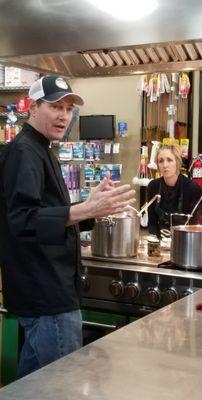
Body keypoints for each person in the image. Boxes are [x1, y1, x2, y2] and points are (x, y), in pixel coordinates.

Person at [0, 75, 135, 378]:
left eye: (69, 108)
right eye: (55, 106)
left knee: (33, 387)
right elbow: (22, 220)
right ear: (32, 108)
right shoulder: (24, 152)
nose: (64, 115)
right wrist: (85, 209)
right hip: (46, 294)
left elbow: (50, 212)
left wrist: (92, 211)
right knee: (60, 385)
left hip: (49, 292)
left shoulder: (42, 148)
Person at [147, 143, 202, 237]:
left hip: (185, 241)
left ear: (177, 162)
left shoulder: (192, 188)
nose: (165, 165)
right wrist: (157, 242)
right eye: (161, 161)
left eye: (169, 160)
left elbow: (196, 225)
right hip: (160, 241)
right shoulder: (153, 186)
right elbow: (152, 223)